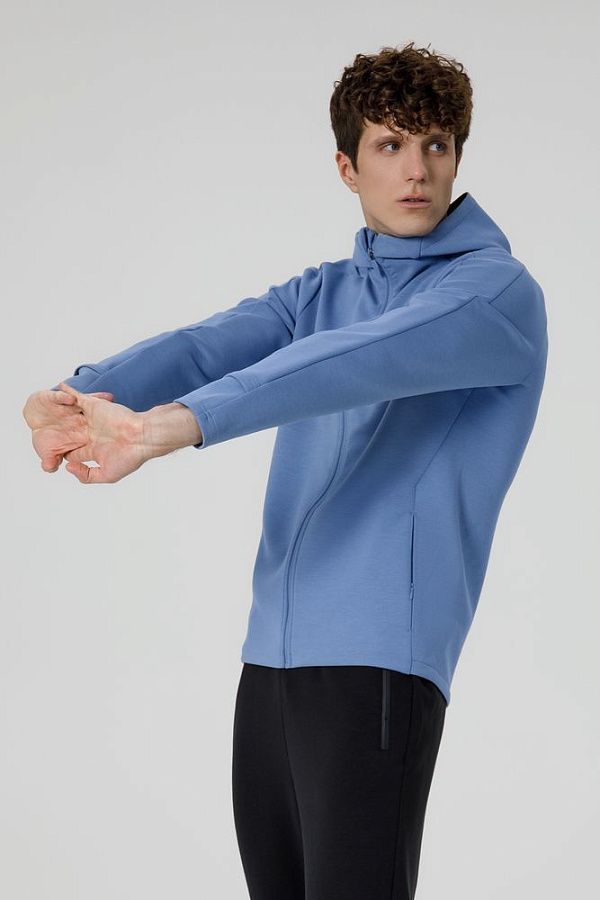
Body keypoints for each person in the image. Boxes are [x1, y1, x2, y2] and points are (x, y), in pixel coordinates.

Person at [23, 41, 548, 900]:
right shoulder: (323, 293)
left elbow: (352, 362)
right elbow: (209, 345)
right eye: (390, 145)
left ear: (458, 155)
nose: (417, 169)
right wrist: (76, 395)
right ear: (347, 167)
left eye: (436, 144)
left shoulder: (493, 297)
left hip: (380, 665)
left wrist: (174, 426)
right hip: (271, 664)